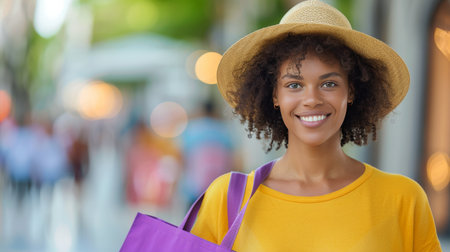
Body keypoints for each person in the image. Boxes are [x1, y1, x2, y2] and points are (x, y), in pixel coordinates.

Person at [190, 0, 442, 251]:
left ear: (351, 90)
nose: (311, 99)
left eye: (329, 83)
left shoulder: (403, 198)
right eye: (294, 85)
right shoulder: (227, 199)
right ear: (275, 95)